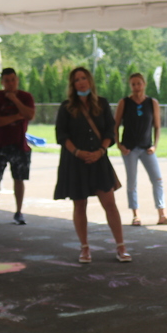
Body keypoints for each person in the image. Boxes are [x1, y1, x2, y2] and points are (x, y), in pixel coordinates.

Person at [54, 67, 130, 263]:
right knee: (80, 204)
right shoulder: (66, 107)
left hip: (99, 159)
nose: (81, 82)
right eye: (77, 80)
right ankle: (85, 248)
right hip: (75, 161)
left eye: (84, 78)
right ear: (72, 85)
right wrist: (78, 152)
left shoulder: (102, 103)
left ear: (90, 81)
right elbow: (61, 135)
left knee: (110, 204)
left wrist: (100, 151)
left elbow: (110, 132)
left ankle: (121, 247)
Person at [114, 72, 167, 227]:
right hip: (129, 148)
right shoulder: (124, 103)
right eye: (133, 84)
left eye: (139, 83)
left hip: (146, 148)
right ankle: (136, 214)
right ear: (130, 86)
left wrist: (155, 145)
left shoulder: (152, 103)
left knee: (157, 179)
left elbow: (157, 126)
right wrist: (119, 144)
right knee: (132, 181)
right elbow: (115, 126)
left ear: (144, 84)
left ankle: (162, 214)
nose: (136, 87)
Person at [0, 67, 35, 227]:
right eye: (7, 81)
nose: (10, 83)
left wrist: (15, 100)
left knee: (19, 179)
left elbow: (30, 115)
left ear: (17, 80)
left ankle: (18, 212)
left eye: (13, 80)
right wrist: (17, 116)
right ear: (2, 82)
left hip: (19, 145)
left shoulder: (25, 97)